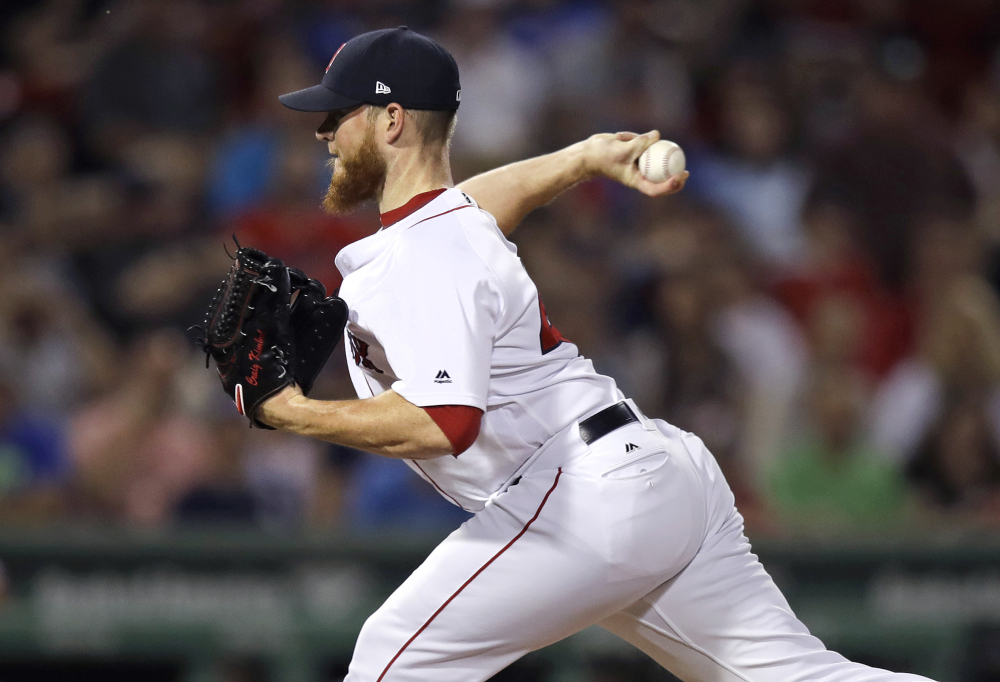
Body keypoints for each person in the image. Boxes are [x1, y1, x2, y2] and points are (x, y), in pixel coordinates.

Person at [260, 27, 932, 682]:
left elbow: (446, 423)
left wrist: (290, 413)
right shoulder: (449, 226)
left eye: (338, 115)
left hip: (584, 493)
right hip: (656, 474)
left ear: (392, 120)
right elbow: (488, 200)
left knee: (392, 657)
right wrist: (582, 158)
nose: (323, 134)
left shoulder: (421, 256)